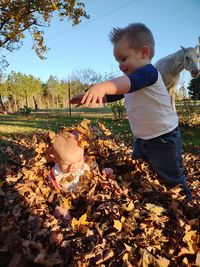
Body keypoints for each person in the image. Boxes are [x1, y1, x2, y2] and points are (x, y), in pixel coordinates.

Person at [70, 22, 192, 200]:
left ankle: (185, 204)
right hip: (143, 138)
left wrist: (103, 86)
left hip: (164, 138)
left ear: (144, 52)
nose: (120, 65)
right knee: (139, 167)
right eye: (118, 61)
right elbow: (114, 94)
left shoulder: (149, 73)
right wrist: (86, 95)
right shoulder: (131, 81)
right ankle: (145, 191)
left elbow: (123, 84)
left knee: (171, 175)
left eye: (124, 58)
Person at [48, 129, 113, 191]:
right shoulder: (54, 177)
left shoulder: (88, 163)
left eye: (79, 161)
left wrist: (103, 173)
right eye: (66, 164)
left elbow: (97, 174)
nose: (73, 167)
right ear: (54, 159)